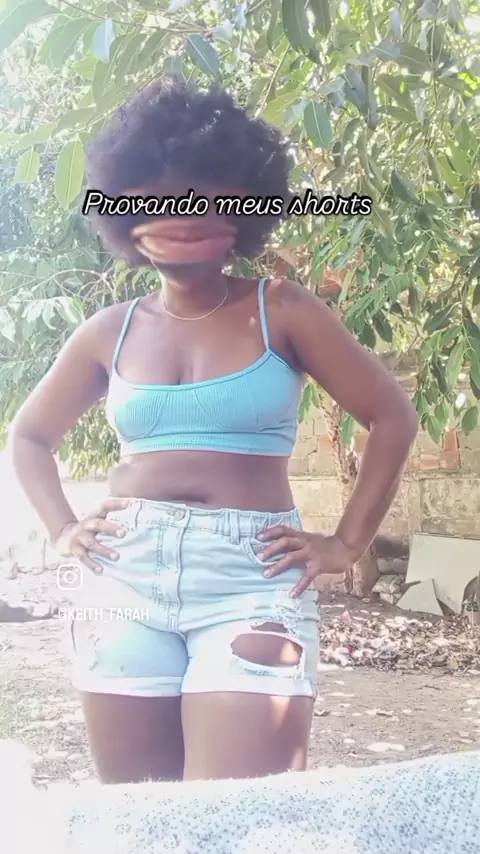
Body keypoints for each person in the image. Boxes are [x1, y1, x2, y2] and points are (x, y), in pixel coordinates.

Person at [9, 79, 418, 784]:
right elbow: (28, 437)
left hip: (249, 579)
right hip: (123, 576)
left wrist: (347, 543)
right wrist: (62, 529)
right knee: (140, 819)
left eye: (205, 199)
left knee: (239, 817)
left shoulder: (282, 309)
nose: (182, 217)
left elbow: (393, 417)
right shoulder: (109, 331)